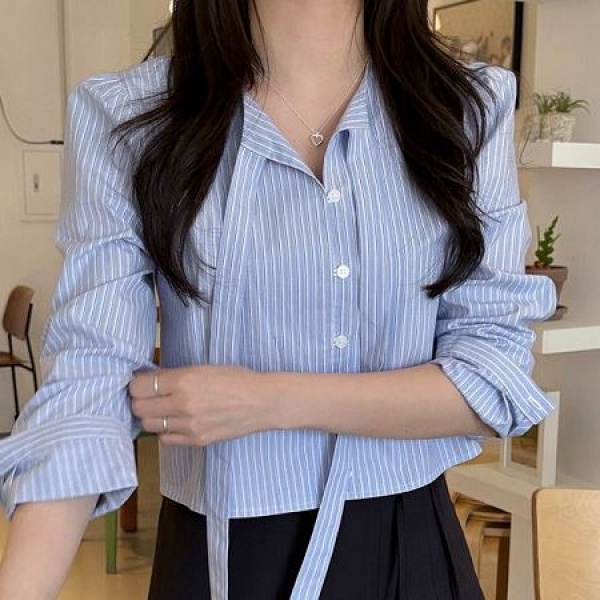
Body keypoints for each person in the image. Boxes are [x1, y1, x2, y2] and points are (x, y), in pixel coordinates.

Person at [0, 0, 556, 599]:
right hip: (218, 556)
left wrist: (266, 400)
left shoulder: (466, 107)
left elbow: (491, 380)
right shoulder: (129, 116)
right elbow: (88, 380)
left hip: (407, 549)